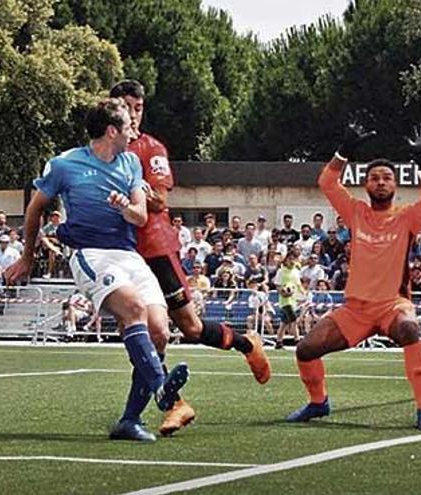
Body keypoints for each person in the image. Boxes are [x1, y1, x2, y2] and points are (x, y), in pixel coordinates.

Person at [4, 97, 189, 443]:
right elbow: (34, 211)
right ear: (111, 130)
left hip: (128, 255)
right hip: (90, 253)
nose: (134, 127)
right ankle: (166, 395)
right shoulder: (64, 165)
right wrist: (27, 257)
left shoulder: (131, 162)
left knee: (160, 331)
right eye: (127, 123)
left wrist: (125, 208)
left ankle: (129, 422)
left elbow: (141, 215)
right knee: (132, 310)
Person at [111, 79, 269, 436]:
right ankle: (168, 406)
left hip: (155, 247)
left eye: (138, 108)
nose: (133, 114)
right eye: (126, 107)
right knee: (150, 333)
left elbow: (161, 201)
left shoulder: (151, 148)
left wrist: (126, 193)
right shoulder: (102, 150)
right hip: (121, 251)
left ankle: (246, 344)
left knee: (191, 328)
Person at [286, 124, 421, 430]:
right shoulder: (356, 212)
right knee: (305, 349)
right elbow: (327, 182)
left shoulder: (407, 216)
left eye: (386, 178)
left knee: (409, 328)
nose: (380, 182)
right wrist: (344, 150)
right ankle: (318, 403)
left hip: (391, 306)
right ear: (366, 185)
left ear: (395, 185)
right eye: (374, 178)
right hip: (354, 310)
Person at [274, 251, 304, 349]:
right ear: (286, 260)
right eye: (289, 259)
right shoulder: (281, 271)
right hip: (285, 301)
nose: (291, 261)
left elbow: (298, 285)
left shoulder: (296, 271)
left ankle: (278, 342)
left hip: (294, 299)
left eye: (293, 259)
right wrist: (283, 292)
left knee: (284, 323)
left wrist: (303, 294)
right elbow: (277, 284)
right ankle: (297, 340)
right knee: (294, 320)